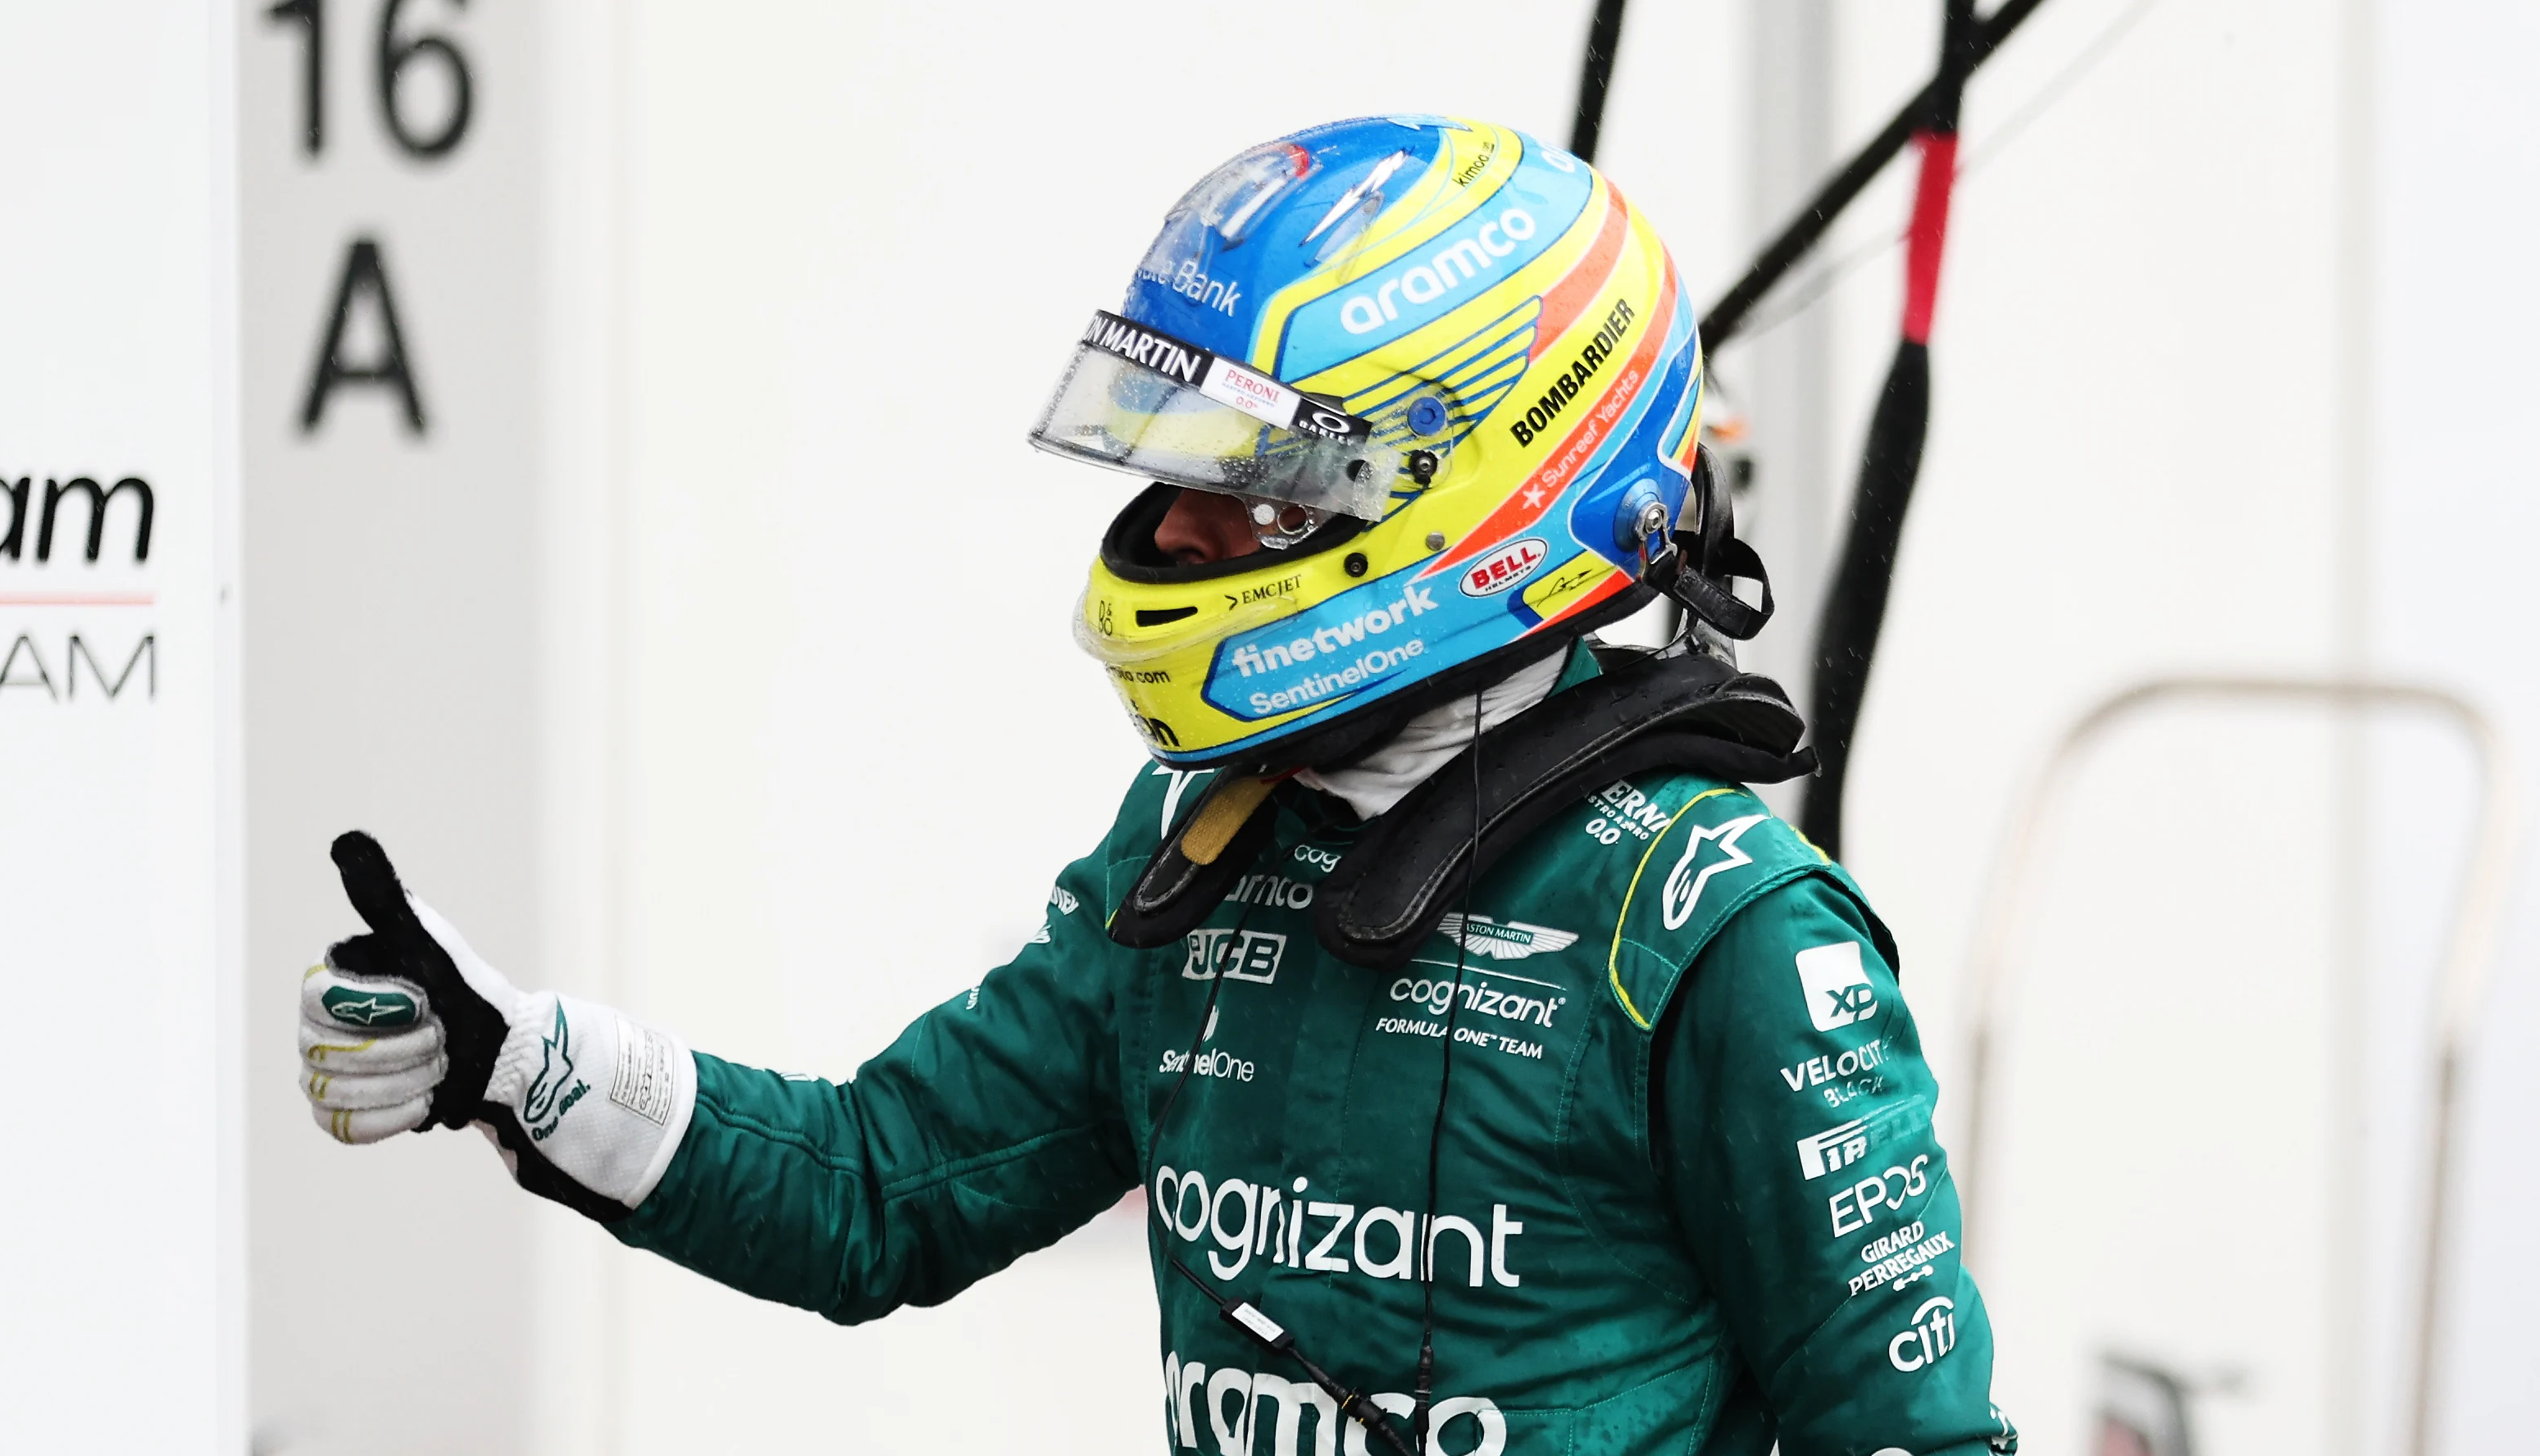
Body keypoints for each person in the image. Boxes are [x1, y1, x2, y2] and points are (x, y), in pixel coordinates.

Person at [297, 116, 2013, 1456]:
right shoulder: (1196, 856)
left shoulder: (1725, 938)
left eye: (1256, 487)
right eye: (1174, 473)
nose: (1181, 534)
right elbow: (874, 1190)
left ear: (1481, 490)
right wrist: (521, 1059)